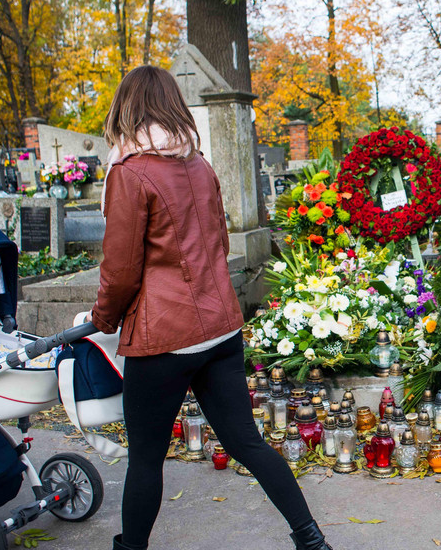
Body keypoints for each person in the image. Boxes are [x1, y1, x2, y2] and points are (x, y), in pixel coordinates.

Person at [89, 65, 332, 550]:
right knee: (246, 441)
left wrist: (103, 320)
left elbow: (120, 269)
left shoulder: (129, 172)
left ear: (127, 109)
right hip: (219, 331)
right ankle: (311, 539)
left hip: (164, 339)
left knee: (145, 459)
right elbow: (217, 242)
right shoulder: (198, 164)